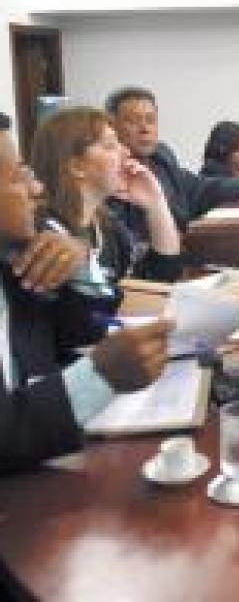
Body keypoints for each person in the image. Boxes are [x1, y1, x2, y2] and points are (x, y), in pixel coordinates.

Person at [0, 112, 173, 473]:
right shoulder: (37, 241)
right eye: (18, 177)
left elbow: (83, 330)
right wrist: (100, 374)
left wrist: (81, 259)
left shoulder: (19, 257)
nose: (36, 189)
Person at [31, 107, 182, 283]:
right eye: (110, 146)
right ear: (77, 167)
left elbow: (161, 277)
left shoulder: (108, 228)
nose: (126, 152)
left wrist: (156, 203)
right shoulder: (45, 232)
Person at [105, 86, 239, 240]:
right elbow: (124, 240)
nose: (145, 129)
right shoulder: (108, 176)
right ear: (111, 126)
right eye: (134, 121)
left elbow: (204, 189)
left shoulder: (161, 159)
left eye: (151, 120)